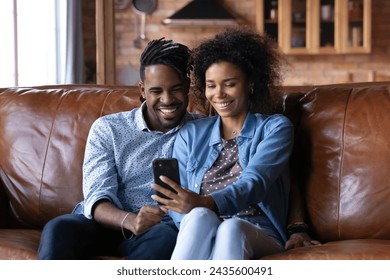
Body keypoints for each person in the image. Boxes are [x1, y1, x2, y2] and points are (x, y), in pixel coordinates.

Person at [37, 38, 197, 259]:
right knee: (59, 229)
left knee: (165, 238)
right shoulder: (109, 129)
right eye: (156, 91)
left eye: (176, 89)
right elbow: (97, 196)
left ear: (188, 87)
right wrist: (131, 221)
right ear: (142, 89)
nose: (167, 99)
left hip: (159, 231)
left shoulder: (203, 132)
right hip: (104, 225)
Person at [151, 27, 296, 260]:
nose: (219, 94)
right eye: (211, 85)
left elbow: (255, 183)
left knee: (230, 228)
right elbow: (179, 208)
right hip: (201, 227)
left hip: (257, 230)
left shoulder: (275, 128)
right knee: (198, 217)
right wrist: (194, 209)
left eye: (229, 84)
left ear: (249, 83)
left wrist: (206, 202)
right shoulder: (190, 134)